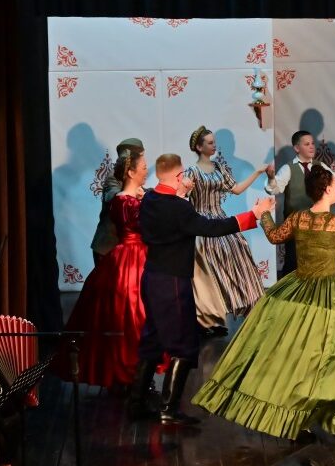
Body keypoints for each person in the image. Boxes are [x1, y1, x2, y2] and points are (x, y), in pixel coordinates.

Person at [193, 164, 335, 440]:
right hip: (325, 298)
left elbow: (274, 236)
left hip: (297, 291)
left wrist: (264, 214)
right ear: (327, 189)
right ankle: (325, 418)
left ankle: (310, 417)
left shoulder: (299, 218)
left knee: (302, 357)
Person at [126, 154, 272, 425]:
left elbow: (173, 217)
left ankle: (136, 403)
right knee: (184, 344)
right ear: (178, 176)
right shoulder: (178, 209)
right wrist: (252, 215)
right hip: (172, 281)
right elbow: (209, 227)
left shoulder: (150, 199)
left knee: (153, 340)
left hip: (152, 277)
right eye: (183, 174)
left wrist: (181, 195)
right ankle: (169, 410)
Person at [59, 145, 150, 388]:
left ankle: (137, 367)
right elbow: (119, 203)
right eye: (142, 166)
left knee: (131, 310)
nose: (146, 170)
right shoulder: (120, 194)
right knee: (123, 310)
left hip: (134, 254)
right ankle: (126, 368)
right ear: (130, 169)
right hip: (122, 254)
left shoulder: (135, 196)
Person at [186, 126, 270, 337]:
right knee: (207, 272)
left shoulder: (219, 167)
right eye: (210, 143)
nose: (214, 146)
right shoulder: (191, 172)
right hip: (202, 224)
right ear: (199, 147)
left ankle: (241, 306)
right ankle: (206, 320)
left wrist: (258, 172)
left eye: (214, 142)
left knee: (238, 254)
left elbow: (237, 189)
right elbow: (183, 197)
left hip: (221, 220)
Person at [265, 130, 335, 278]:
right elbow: (275, 188)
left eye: (313, 143)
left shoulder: (320, 166)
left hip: (317, 224)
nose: (311, 146)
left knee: (316, 261)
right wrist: (271, 178)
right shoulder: (288, 168)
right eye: (307, 144)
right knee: (293, 262)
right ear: (297, 148)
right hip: (296, 225)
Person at [90, 137, 145, 266]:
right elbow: (112, 196)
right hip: (108, 246)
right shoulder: (113, 176)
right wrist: (132, 193)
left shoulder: (135, 177)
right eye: (141, 156)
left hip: (125, 247)